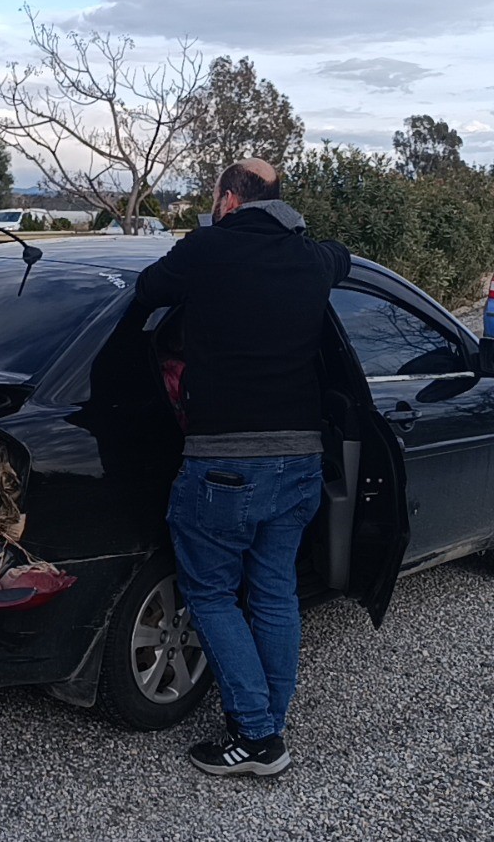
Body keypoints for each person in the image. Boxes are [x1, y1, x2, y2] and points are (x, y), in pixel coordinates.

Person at [135, 158, 351, 777]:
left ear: (228, 200)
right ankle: (267, 725)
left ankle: (256, 737)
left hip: (226, 463)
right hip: (301, 460)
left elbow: (148, 292)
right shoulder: (312, 259)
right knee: (276, 590)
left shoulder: (206, 250)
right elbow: (341, 257)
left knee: (210, 591)